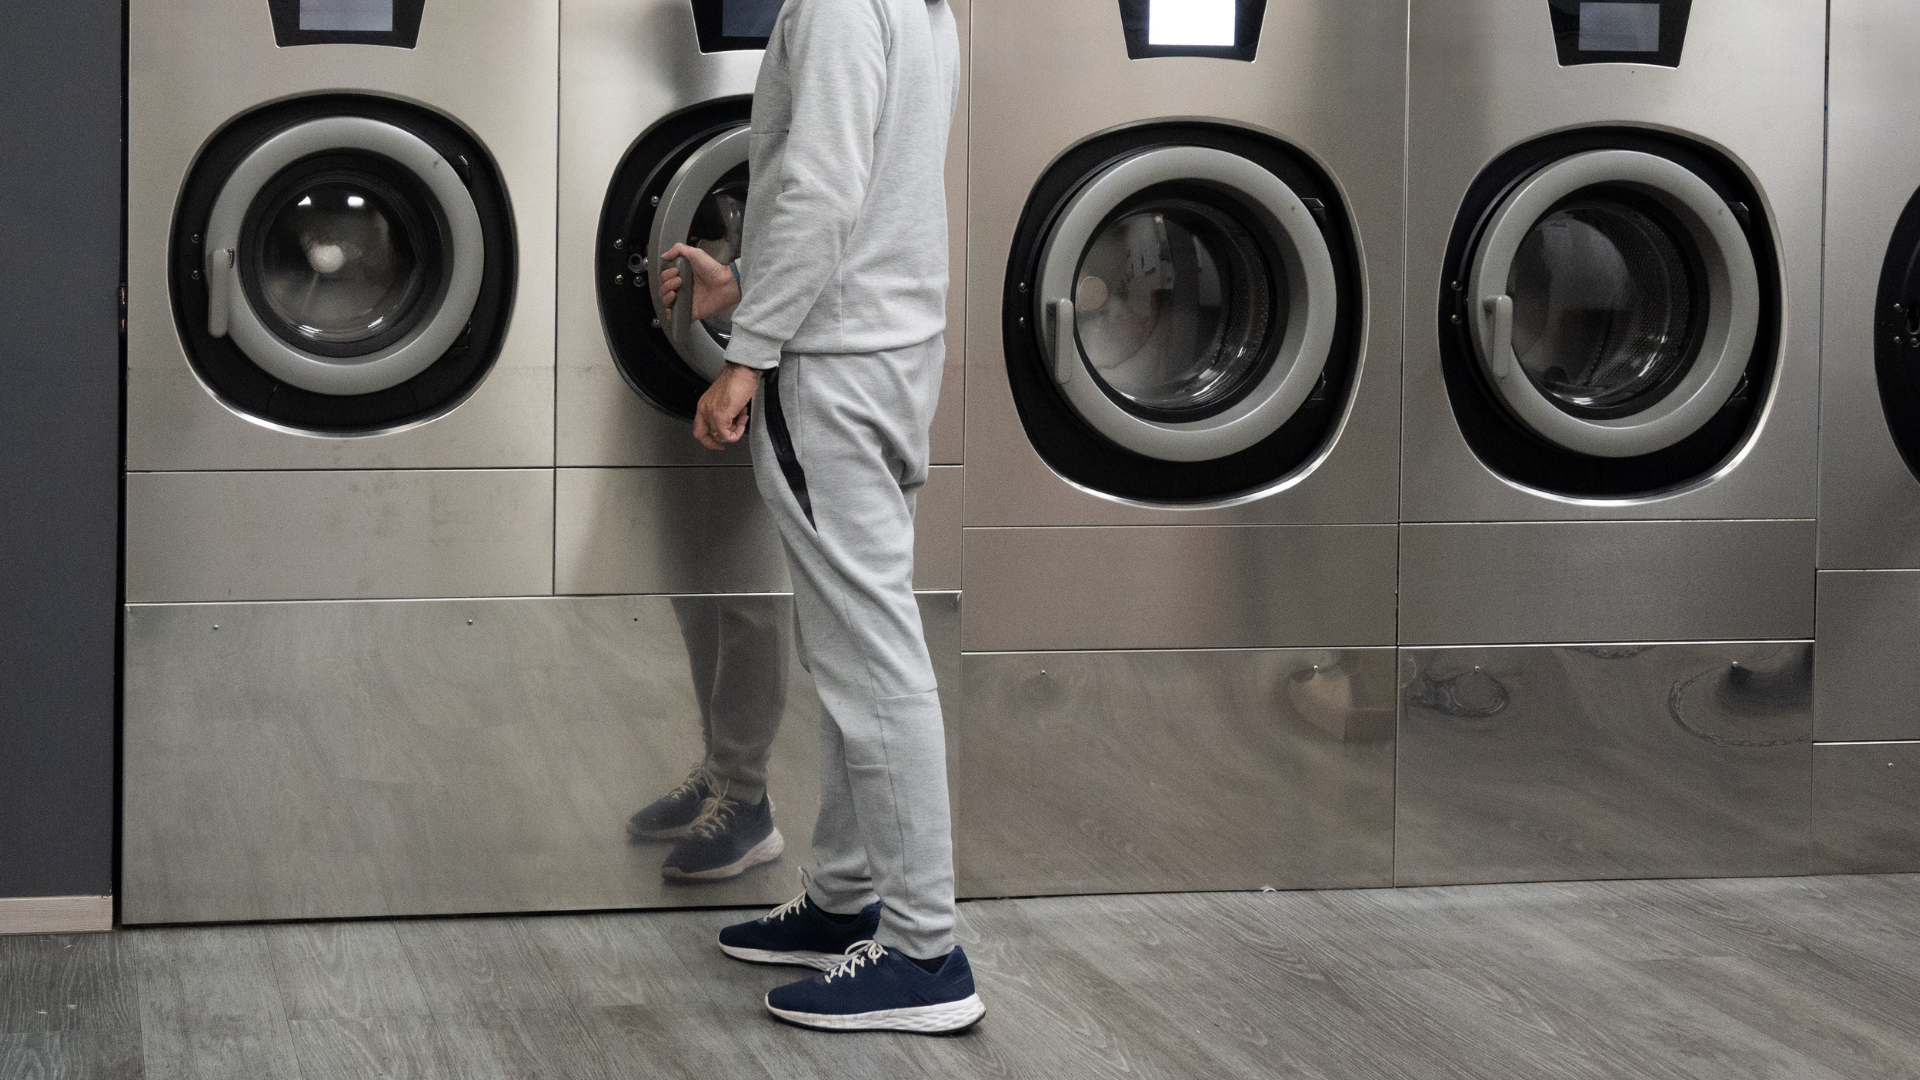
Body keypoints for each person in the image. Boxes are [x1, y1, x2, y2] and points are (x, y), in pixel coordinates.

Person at [657, 0, 981, 1036]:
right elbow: (875, 187)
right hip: (891, 348)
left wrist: (750, 351)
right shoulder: (917, 6)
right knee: (860, 644)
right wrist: (747, 284)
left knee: (872, 656)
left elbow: (825, 187)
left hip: (835, 369)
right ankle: (848, 900)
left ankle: (926, 953)